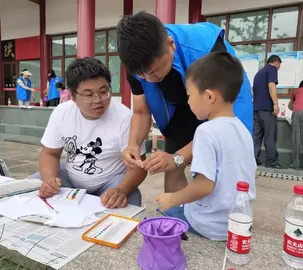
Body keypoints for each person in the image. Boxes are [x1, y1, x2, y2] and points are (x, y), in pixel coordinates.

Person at [116, 12, 253, 193]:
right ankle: (176, 217)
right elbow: (141, 112)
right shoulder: (137, 66)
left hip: (223, 108)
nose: (150, 81)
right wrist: (133, 144)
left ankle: (224, 217)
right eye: (143, 76)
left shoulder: (207, 50)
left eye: (155, 71)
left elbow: (221, 121)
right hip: (179, 109)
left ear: (170, 44)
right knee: (172, 163)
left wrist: (179, 157)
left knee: (220, 168)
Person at [156, 52, 256, 240]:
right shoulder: (243, 130)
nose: (187, 101)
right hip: (237, 223)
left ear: (209, 96)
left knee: (164, 210)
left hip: (208, 224)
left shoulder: (206, 131)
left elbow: (204, 186)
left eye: (189, 95)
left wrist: (172, 198)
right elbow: (252, 174)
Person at [29, 58, 147, 208]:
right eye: (88, 94)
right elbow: (50, 153)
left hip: (110, 183)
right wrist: (50, 180)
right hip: (71, 179)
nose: (98, 100)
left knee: (127, 199)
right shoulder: (62, 113)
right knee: (35, 184)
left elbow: (139, 166)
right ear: (72, 95)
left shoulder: (124, 117)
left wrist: (121, 190)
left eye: (103, 92)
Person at [253, 55, 284, 169]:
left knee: (256, 137)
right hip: (267, 109)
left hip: (256, 110)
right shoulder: (272, 69)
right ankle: (271, 162)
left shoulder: (258, 73)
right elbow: (271, 85)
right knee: (270, 135)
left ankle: (253, 159)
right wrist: (275, 103)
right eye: (279, 65)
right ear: (276, 62)